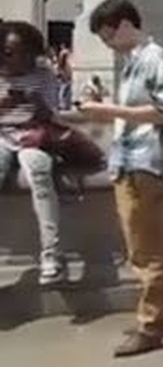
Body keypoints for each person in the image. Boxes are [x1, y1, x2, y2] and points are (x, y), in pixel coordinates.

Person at [76, 0, 163, 358]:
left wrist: (106, 110)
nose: (106, 45)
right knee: (151, 246)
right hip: (132, 161)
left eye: (106, 37)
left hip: (141, 163)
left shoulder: (153, 58)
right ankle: (161, 316)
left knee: (143, 250)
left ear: (122, 26)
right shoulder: (135, 61)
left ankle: (150, 324)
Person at [0, 21, 68, 285]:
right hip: (2, 137)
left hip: (34, 135)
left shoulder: (45, 76)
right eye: (9, 52)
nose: (17, 58)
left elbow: (53, 116)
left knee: (40, 174)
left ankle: (52, 254)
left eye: (24, 52)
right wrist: (5, 105)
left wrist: (36, 102)